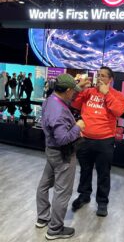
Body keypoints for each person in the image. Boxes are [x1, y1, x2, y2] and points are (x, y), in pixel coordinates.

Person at [71, 66, 124, 217]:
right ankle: (84, 196)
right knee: (85, 170)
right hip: (85, 139)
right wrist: (79, 89)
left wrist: (106, 94)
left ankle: (102, 202)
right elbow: (74, 104)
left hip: (105, 141)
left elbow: (118, 111)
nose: (99, 78)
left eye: (103, 76)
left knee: (103, 173)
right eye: (98, 75)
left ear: (110, 79)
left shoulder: (117, 95)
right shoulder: (88, 92)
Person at [36, 73, 85, 240]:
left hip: (51, 151)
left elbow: (67, 100)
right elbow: (63, 138)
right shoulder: (58, 111)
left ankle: (43, 218)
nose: (74, 94)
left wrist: (79, 84)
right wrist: (77, 127)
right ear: (67, 90)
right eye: (73, 91)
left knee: (44, 184)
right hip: (62, 154)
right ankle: (55, 229)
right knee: (62, 192)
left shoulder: (51, 99)